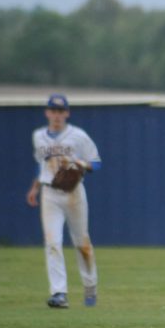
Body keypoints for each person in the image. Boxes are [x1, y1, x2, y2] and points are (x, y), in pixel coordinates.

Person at [25, 93, 102, 308]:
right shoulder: (38, 136)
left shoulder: (78, 136)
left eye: (61, 111)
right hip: (50, 194)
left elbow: (97, 163)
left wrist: (80, 163)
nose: (57, 115)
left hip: (74, 193)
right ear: (47, 112)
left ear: (67, 113)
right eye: (53, 110)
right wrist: (35, 187)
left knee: (82, 243)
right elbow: (41, 164)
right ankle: (59, 293)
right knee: (53, 243)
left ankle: (90, 287)